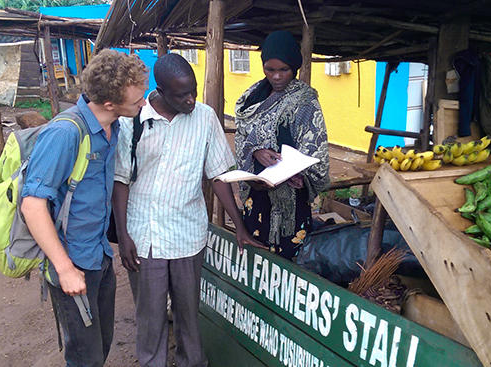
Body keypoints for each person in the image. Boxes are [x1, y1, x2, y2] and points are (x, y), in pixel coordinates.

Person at [112, 53, 264, 367]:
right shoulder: (132, 120)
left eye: (193, 91)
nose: (191, 100)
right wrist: (124, 235)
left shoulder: (205, 117)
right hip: (145, 236)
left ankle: (192, 363)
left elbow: (219, 174)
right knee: (151, 317)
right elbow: (120, 181)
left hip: (188, 233)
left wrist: (239, 224)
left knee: (188, 313)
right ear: (162, 91)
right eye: (182, 95)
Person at [20, 49, 148, 367]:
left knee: (100, 346)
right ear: (109, 103)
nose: (143, 104)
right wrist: (64, 269)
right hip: (73, 263)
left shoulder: (112, 127)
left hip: (98, 256)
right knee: (84, 357)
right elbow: (32, 205)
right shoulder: (65, 133)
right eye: (136, 101)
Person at [234, 30, 330, 260]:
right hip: (256, 198)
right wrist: (256, 151)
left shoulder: (306, 101)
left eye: (283, 70)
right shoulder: (252, 99)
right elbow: (242, 140)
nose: (276, 76)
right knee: (256, 259)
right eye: (270, 69)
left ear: (295, 67)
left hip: (292, 205)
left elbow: (316, 152)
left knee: (291, 264)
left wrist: (299, 174)